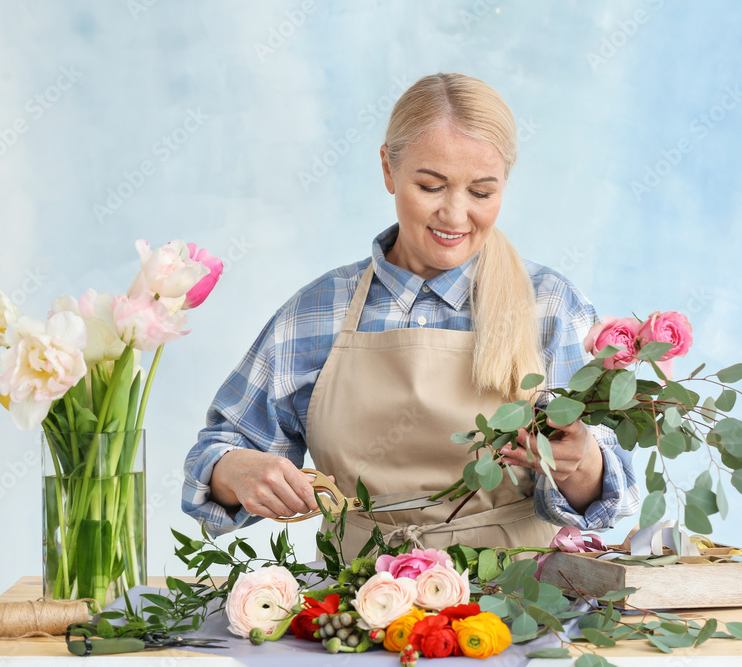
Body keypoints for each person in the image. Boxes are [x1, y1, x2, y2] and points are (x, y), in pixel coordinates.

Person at [182, 73, 638, 556]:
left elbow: (610, 497)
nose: (456, 215)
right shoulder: (316, 312)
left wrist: (582, 462)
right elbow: (214, 456)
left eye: (481, 193)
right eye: (431, 186)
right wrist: (234, 470)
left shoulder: (549, 305)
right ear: (388, 169)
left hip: (520, 609)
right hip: (354, 607)